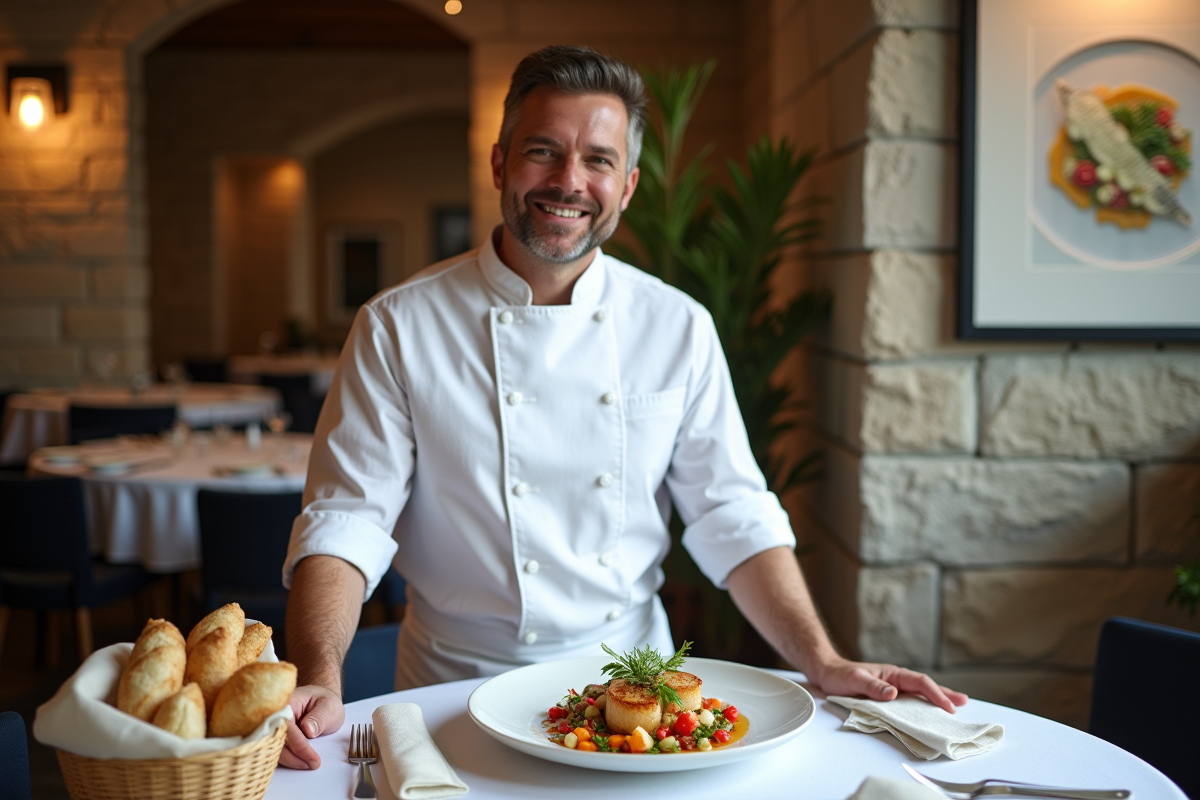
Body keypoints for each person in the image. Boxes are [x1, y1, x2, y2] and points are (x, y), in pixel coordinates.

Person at [279, 45, 966, 770]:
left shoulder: (676, 325)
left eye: (598, 161)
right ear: (499, 163)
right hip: (454, 692)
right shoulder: (397, 324)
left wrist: (822, 661)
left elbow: (732, 514)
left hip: (637, 696)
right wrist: (321, 676)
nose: (569, 182)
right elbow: (347, 521)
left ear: (629, 184)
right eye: (543, 151)